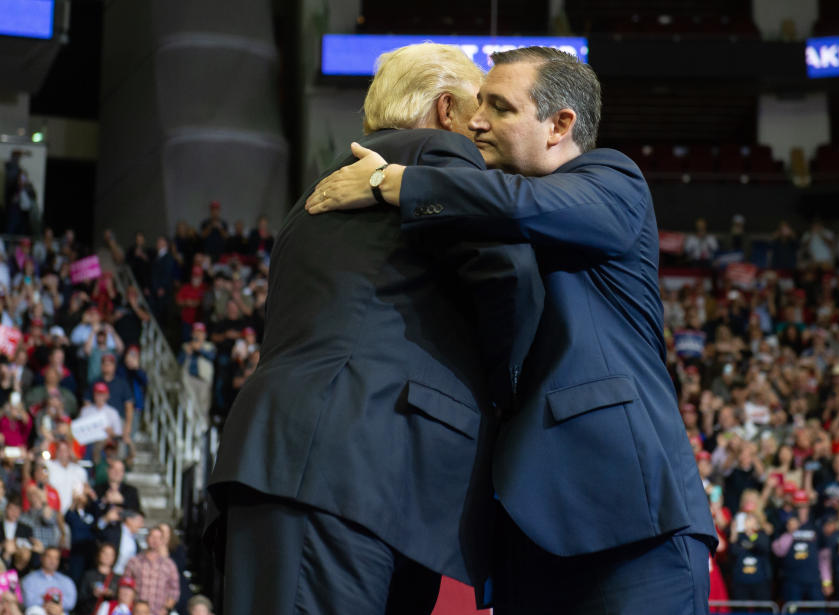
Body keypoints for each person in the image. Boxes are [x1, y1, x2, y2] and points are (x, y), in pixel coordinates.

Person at [310, 46, 715, 615]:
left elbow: (523, 205)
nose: (476, 121)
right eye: (478, 105)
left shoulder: (612, 180)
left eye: (499, 108)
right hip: (523, 540)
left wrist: (395, 182)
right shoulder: (480, 216)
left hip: (629, 519)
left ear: (559, 125)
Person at [206, 43, 542, 615]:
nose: (483, 128)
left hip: (309, 469)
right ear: (444, 111)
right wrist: (517, 394)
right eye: (477, 111)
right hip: (350, 473)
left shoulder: (324, 188)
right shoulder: (436, 159)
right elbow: (510, 277)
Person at [123, 527, 179, 615]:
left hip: (159, 612)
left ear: (162, 541)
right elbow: (125, 586)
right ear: (146, 538)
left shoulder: (169, 564)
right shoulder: (134, 561)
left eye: (158, 538)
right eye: (152, 537)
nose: (155, 540)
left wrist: (166, 609)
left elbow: (174, 590)